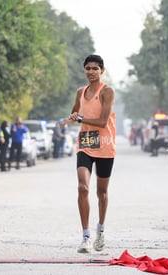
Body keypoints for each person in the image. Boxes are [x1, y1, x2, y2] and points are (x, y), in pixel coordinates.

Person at [62, 54, 116, 253]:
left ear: (102, 70)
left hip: (105, 145)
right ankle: (85, 237)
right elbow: (75, 112)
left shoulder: (107, 91)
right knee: (82, 187)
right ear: (84, 70)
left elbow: (103, 121)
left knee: (101, 192)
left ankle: (100, 231)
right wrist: (74, 116)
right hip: (85, 144)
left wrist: (80, 118)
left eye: (95, 68)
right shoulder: (80, 92)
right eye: (88, 68)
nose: (91, 72)